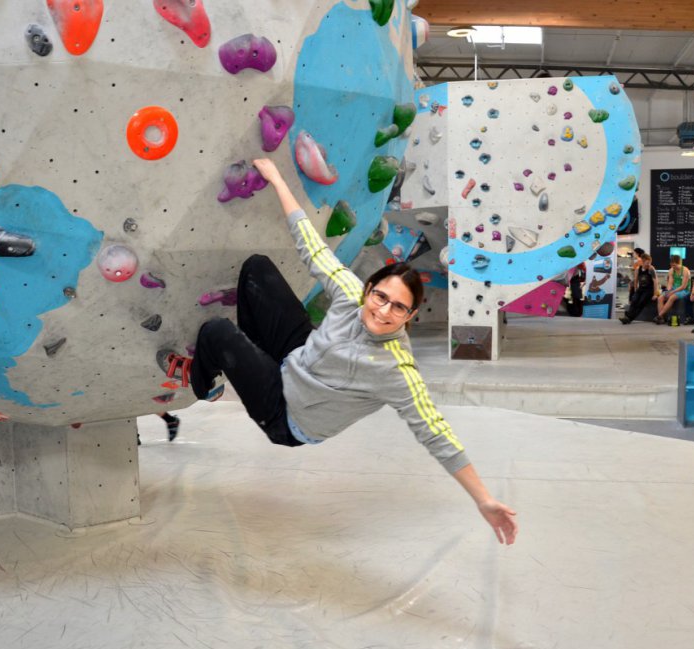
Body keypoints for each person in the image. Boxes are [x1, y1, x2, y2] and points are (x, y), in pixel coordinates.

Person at [186, 158, 517, 545]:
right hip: (299, 357)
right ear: (369, 290)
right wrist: (276, 178)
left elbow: (435, 432)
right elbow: (311, 245)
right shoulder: (350, 294)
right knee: (256, 268)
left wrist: (484, 499)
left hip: (288, 415)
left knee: (215, 332)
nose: (382, 310)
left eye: (398, 308)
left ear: (409, 316)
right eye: (380, 297)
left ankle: (204, 382)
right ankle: (250, 359)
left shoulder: (396, 369)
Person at [619, 252, 657, 324]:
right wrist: (636, 291)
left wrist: (655, 294)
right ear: (642, 262)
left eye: (650, 262)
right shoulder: (637, 269)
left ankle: (629, 318)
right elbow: (636, 280)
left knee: (641, 302)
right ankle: (628, 317)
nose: (649, 264)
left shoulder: (651, 269)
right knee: (634, 300)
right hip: (641, 289)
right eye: (647, 263)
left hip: (649, 290)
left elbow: (655, 282)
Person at [654, 254, 690, 324]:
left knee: (672, 297)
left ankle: (659, 316)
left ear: (679, 263)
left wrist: (672, 292)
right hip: (674, 288)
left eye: (675, 265)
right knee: (660, 298)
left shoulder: (685, 271)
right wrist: (668, 291)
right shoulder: (671, 270)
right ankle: (661, 319)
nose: (673, 267)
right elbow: (670, 284)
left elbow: (683, 286)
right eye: (672, 265)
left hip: (684, 290)